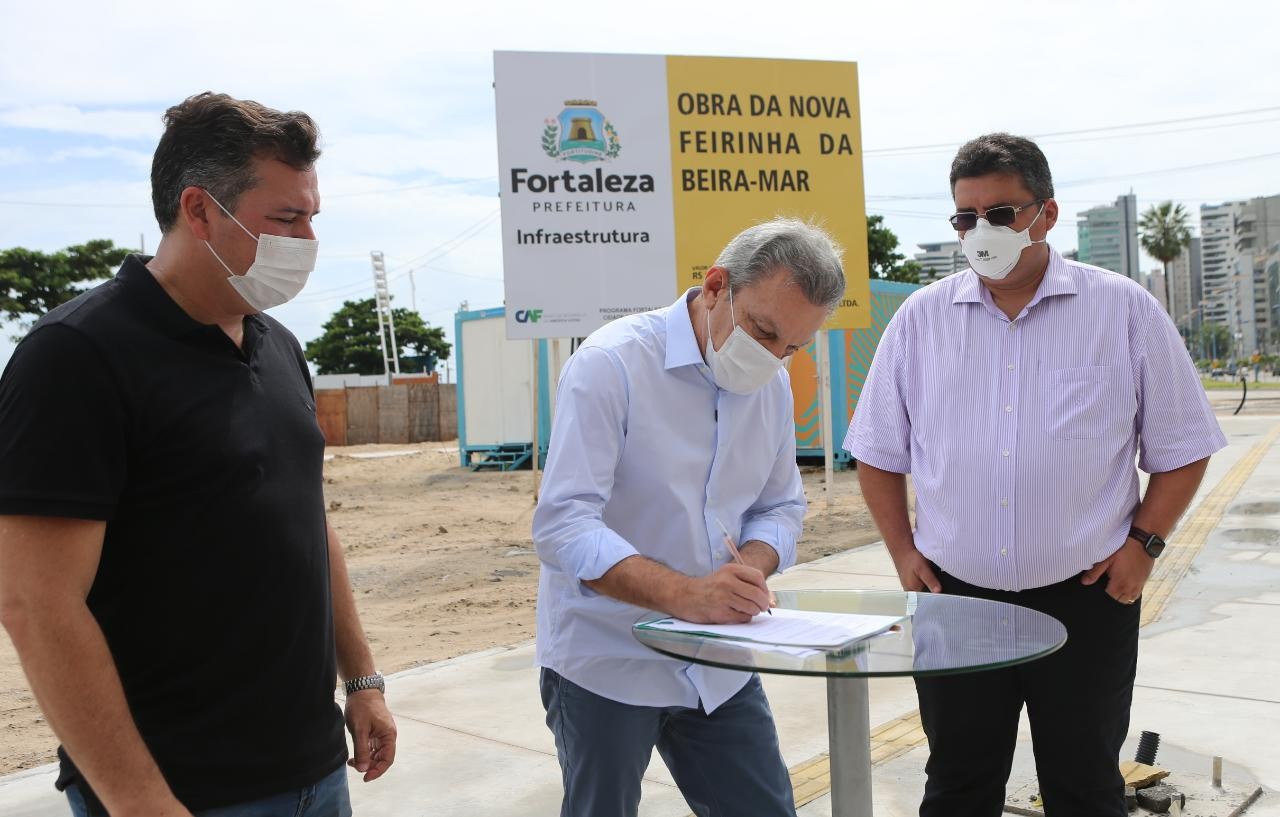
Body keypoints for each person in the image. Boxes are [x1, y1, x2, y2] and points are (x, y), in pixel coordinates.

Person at [0, 92, 396, 816]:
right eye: (286, 218)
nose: (307, 238)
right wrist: (137, 798)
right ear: (199, 209)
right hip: (183, 790)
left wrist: (362, 680)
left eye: (312, 217)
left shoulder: (279, 347)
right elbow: (34, 602)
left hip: (316, 768)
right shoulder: (78, 356)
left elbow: (308, 518)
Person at [844, 133, 1227, 817]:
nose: (980, 231)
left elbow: (1184, 445)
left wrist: (1144, 547)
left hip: (1087, 599)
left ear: (1045, 214)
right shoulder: (920, 322)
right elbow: (876, 450)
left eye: (1001, 214)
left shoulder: (1124, 311)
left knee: (1083, 785)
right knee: (959, 784)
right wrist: (902, 551)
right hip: (955, 599)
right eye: (966, 218)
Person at [533, 218, 845, 817]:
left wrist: (748, 570)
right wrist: (684, 595)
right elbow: (564, 523)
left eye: (792, 347)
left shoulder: (772, 386)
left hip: (718, 660)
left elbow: (779, 506)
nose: (773, 357)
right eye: (763, 330)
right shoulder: (612, 364)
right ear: (716, 286)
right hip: (607, 658)